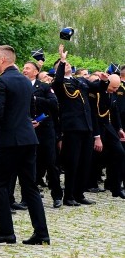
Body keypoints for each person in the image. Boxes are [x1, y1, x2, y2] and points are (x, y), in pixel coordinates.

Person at [0, 45, 50, 245]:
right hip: (28, 138)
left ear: (2, 60)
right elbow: (30, 109)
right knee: (30, 187)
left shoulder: (2, 81)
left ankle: (6, 231)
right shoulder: (26, 82)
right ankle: (41, 233)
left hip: (9, 141)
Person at [52, 45, 108, 206]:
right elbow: (58, 81)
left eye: (68, 63)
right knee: (72, 162)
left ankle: (79, 193)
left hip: (86, 126)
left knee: (85, 162)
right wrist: (61, 61)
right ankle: (68, 196)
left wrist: (104, 81)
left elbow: (97, 88)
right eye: (64, 64)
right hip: (72, 127)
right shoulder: (60, 83)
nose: (67, 64)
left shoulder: (80, 81)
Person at [23, 60, 62, 207]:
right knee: (29, 165)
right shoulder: (21, 86)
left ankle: (57, 195)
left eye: (27, 68)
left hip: (45, 130)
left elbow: (53, 104)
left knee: (51, 164)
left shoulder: (45, 87)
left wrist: (35, 99)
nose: (24, 70)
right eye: (23, 68)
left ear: (36, 72)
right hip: (27, 129)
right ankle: (27, 198)